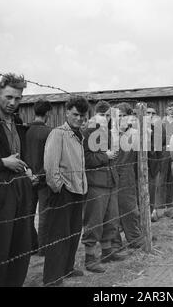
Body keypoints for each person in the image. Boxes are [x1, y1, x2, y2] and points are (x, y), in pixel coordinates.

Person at [0, 73, 33, 287]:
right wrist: (2, 163)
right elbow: (5, 159)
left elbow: (19, 154)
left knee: (19, 248)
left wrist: (26, 169)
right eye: (8, 97)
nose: (12, 103)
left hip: (20, 194)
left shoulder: (16, 121)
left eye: (17, 98)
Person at [43, 96, 89, 286]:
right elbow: (50, 165)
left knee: (73, 232)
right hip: (63, 191)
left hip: (78, 189)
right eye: (76, 114)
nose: (79, 118)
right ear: (67, 112)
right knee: (58, 234)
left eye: (82, 116)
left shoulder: (79, 135)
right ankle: (53, 277)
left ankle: (67, 268)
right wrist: (59, 187)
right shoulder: (58, 133)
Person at [81, 101, 125, 274]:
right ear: (95, 115)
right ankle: (90, 258)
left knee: (112, 218)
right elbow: (86, 160)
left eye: (108, 116)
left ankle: (107, 252)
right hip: (95, 183)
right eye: (103, 115)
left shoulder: (107, 134)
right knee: (94, 221)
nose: (106, 119)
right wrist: (104, 156)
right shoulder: (86, 133)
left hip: (110, 182)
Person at [111, 102, 144, 250]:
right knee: (111, 210)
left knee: (130, 207)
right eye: (118, 116)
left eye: (124, 116)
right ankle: (115, 242)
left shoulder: (134, 133)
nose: (120, 119)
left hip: (127, 172)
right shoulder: (108, 133)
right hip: (110, 174)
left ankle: (135, 237)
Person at [25, 99, 52, 255]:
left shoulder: (24, 130)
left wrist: (29, 174)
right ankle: (43, 249)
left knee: (27, 215)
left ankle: (31, 245)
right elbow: (50, 158)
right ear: (47, 113)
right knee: (44, 215)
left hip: (26, 178)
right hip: (44, 180)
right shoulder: (50, 132)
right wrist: (40, 175)